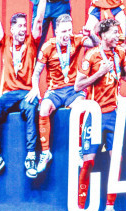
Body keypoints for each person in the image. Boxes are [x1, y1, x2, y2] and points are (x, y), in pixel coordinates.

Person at [74, 18, 126, 211]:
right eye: (114, 32)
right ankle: (80, 209)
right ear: (103, 35)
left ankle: (110, 207)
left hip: (114, 114)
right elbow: (77, 86)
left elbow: (125, 74)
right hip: (94, 115)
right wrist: (99, 73)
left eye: (118, 31)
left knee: (116, 160)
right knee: (88, 162)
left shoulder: (118, 53)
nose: (118, 35)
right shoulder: (91, 56)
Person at [0, 6, 43, 182]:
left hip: (26, 93)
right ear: (12, 29)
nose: (24, 30)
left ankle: (31, 157)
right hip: (8, 94)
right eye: (20, 26)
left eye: (25, 26)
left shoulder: (31, 42)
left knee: (32, 108)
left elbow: (39, 19)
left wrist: (44, 2)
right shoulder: (5, 42)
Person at [31, 14, 97, 173]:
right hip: (54, 91)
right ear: (56, 32)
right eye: (62, 32)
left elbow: (96, 44)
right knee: (44, 108)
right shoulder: (48, 47)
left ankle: (80, 150)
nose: (66, 35)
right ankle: (46, 153)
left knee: (82, 108)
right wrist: (35, 88)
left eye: (69, 30)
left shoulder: (76, 40)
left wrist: (91, 33)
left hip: (73, 90)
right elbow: (36, 73)